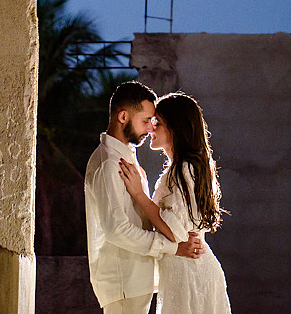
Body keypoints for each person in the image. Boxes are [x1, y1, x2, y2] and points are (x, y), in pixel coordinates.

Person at [85, 81, 204, 314]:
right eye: (145, 121)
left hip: (137, 278)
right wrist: (172, 247)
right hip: (123, 280)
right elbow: (116, 230)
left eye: (153, 122)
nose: (150, 128)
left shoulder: (126, 157)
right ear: (122, 117)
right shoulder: (110, 164)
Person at [117, 91, 232, 314]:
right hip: (188, 270)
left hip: (190, 272)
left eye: (157, 123)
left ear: (175, 128)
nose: (151, 129)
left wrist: (139, 195)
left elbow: (175, 231)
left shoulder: (184, 169)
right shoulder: (182, 168)